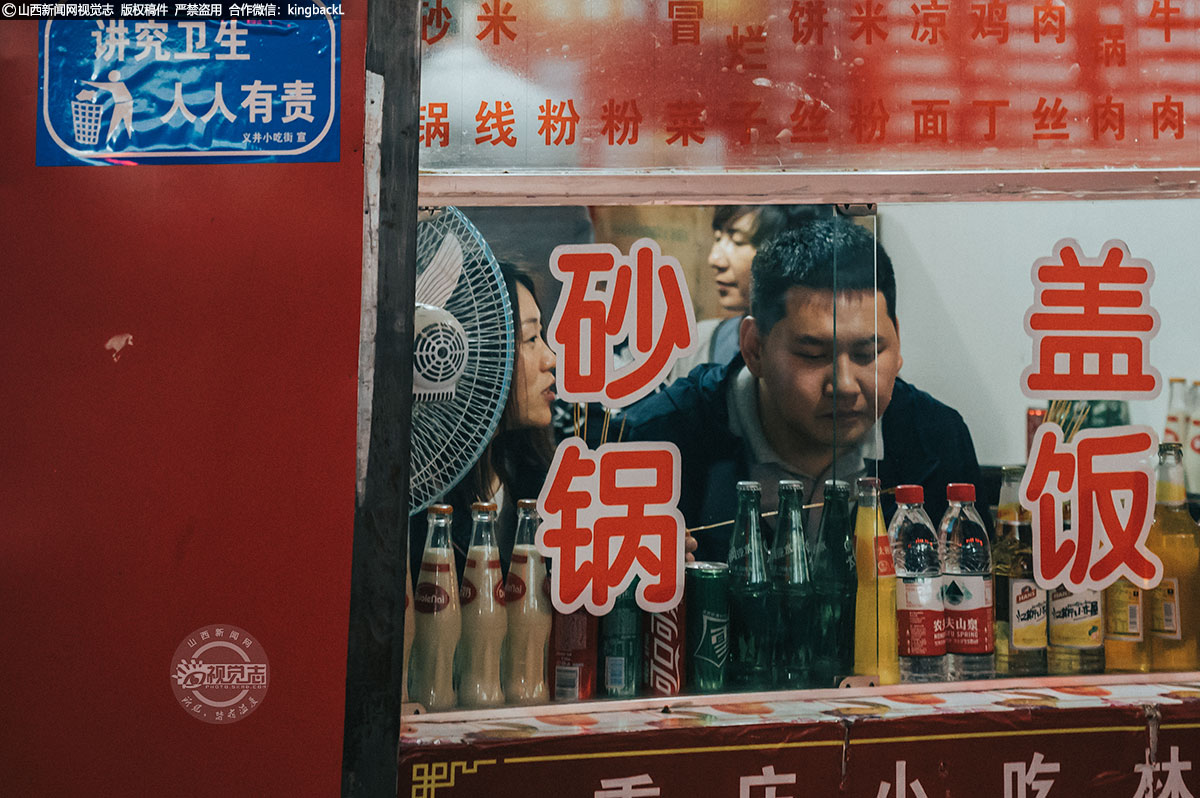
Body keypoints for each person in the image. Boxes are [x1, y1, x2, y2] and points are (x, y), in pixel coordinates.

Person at [623, 215, 986, 563]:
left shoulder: (935, 442)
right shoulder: (659, 441)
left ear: (898, 343)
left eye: (867, 353)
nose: (844, 385)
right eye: (813, 355)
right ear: (754, 348)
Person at [409, 262, 557, 580]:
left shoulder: (538, 480)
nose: (551, 359)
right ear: (478, 356)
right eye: (531, 338)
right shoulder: (419, 506)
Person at [668, 204, 834, 381]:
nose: (714, 259)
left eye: (737, 241)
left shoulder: (832, 348)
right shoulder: (699, 343)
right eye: (717, 238)